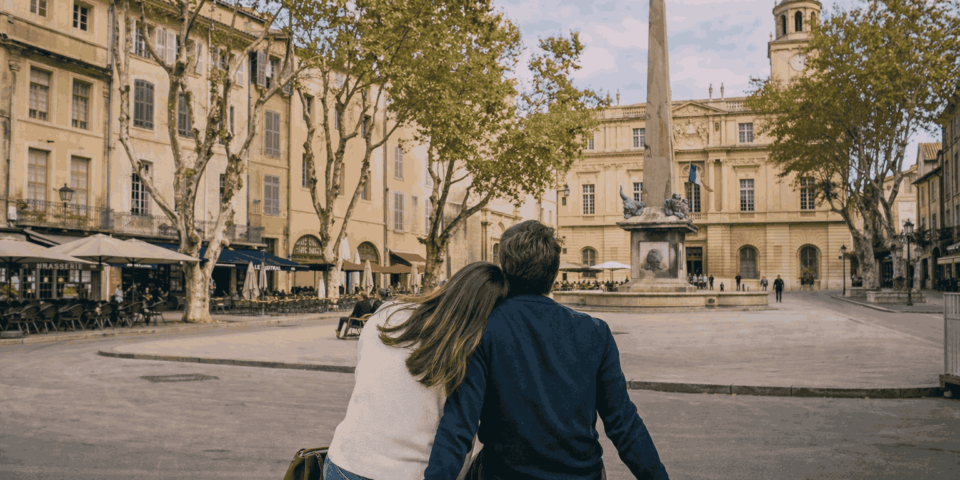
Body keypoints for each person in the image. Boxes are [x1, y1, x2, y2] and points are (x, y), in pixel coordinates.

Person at [425, 220, 668, 480]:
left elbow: (458, 427)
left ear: (505, 269)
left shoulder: (485, 330)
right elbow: (623, 423)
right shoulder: (595, 331)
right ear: (554, 272)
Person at [324, 262, 509, 480]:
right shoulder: (465, 351)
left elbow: (364, 374)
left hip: (344, 460)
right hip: (408, 472)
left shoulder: (388, 313)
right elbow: (460, 432)